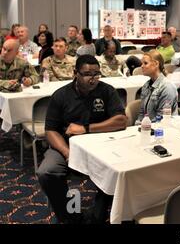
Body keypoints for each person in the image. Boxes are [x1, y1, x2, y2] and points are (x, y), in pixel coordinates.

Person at [36, 55, 127, 224]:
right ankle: (71, 215)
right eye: (87, 74)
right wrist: (66, 152)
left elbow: (121, 120)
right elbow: (50, 131)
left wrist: (86, 128)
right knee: (46, 172)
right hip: (67, 145)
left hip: (101, 146)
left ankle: (99, 211)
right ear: (75, 73)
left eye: (96, 74)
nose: (92, 79)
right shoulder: (61, 95)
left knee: (120, 167)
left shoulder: (106, 91)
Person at [137, 51, 178, 122]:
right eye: (142, 63)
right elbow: (142, 113)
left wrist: (144, 127)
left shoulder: (167, 87)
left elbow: (162, 119)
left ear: (156, 64)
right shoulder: (146, 85)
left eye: (145, 63)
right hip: (148, 127)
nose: (142, 66)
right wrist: (138, 126)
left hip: (164, 129)